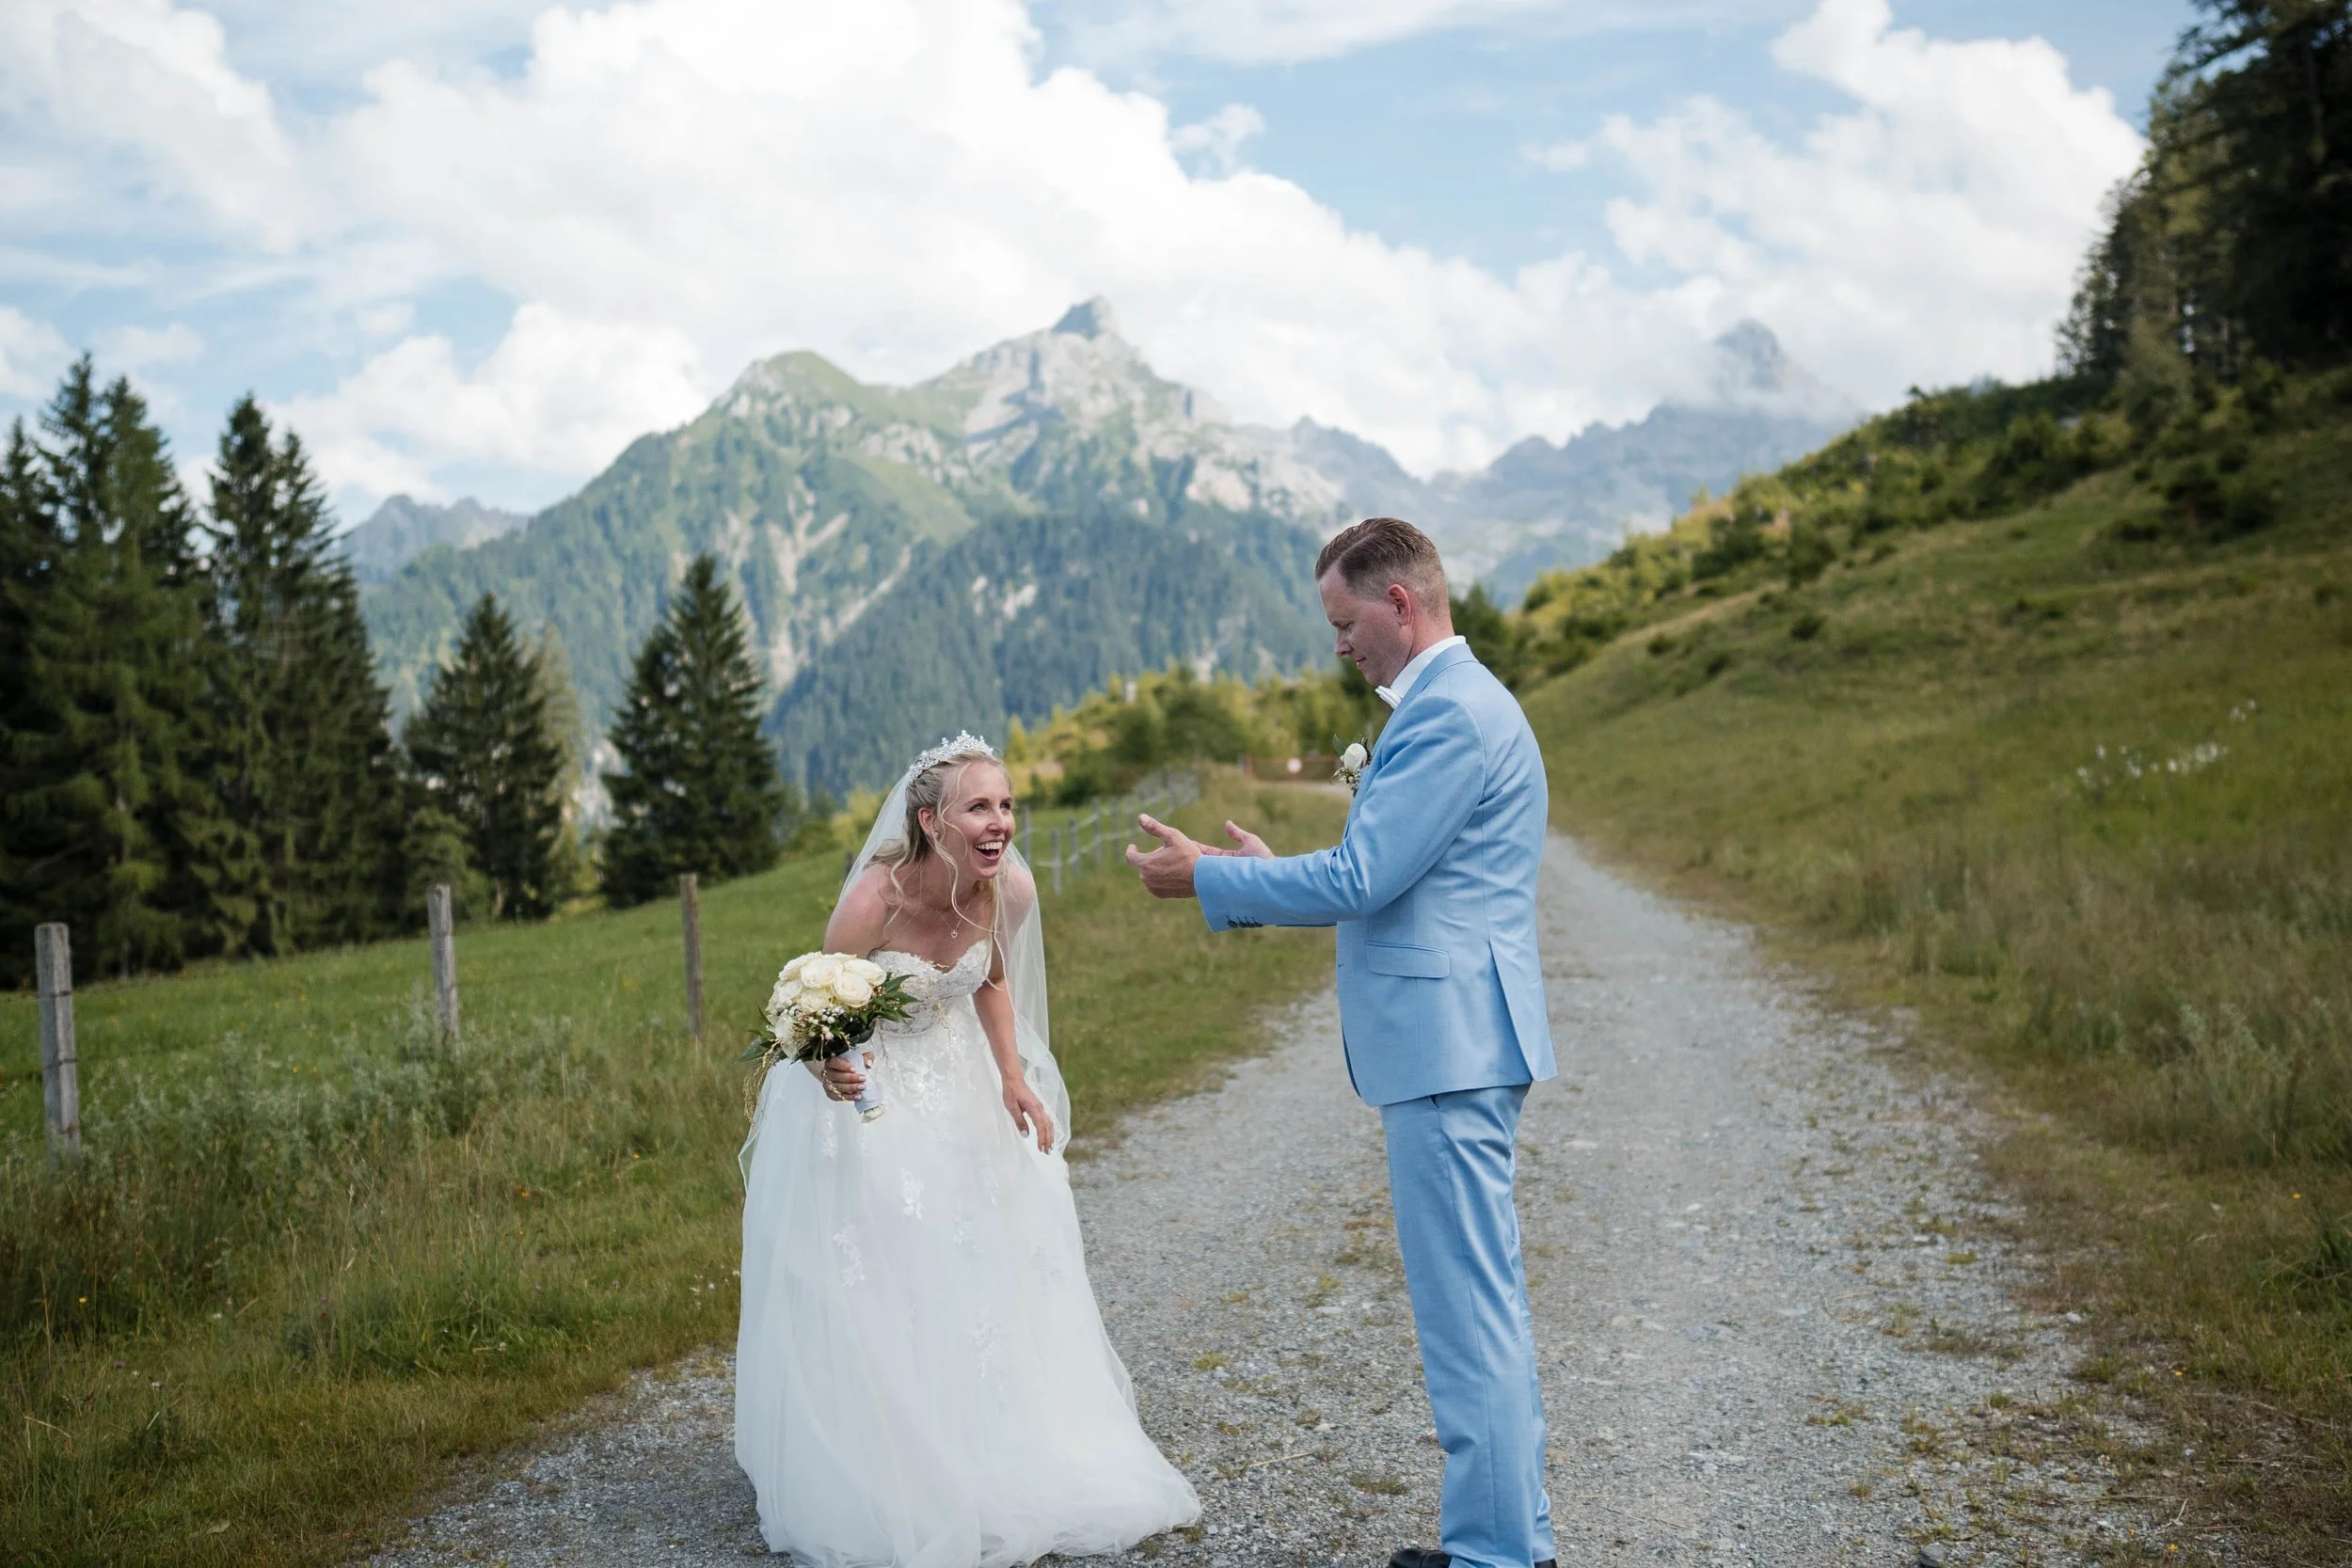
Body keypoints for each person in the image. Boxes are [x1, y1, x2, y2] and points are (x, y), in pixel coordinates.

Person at [1128, 517, 1558, 1568]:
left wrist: (1214, 881)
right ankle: (1503, 1539)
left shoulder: (1450, 714)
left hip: (1450, 1047)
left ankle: (1500, 1557)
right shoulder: (1449, 704)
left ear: (1399, 604)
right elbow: (1388, 870)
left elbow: (1363, 879)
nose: (1338, 644)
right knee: (1473, 1309)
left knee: (1469, 1317)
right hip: (1454, 1041)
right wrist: (1268, 874)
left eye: (1344, 620)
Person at [736, 733, 1199, 1568]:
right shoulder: (874, 896)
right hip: (871, 1087)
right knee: (890, 1254)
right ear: (930, 819)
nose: (1001, 823)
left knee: (999, 1244)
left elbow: (990, 978)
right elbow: (812, 1002)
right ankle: (886, 1450)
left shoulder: (1004, 887)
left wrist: (1014, 1078)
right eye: (980, 807)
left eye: (1008, 804)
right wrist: (830, 1060)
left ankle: (993, 1432)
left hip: (961, 1079)